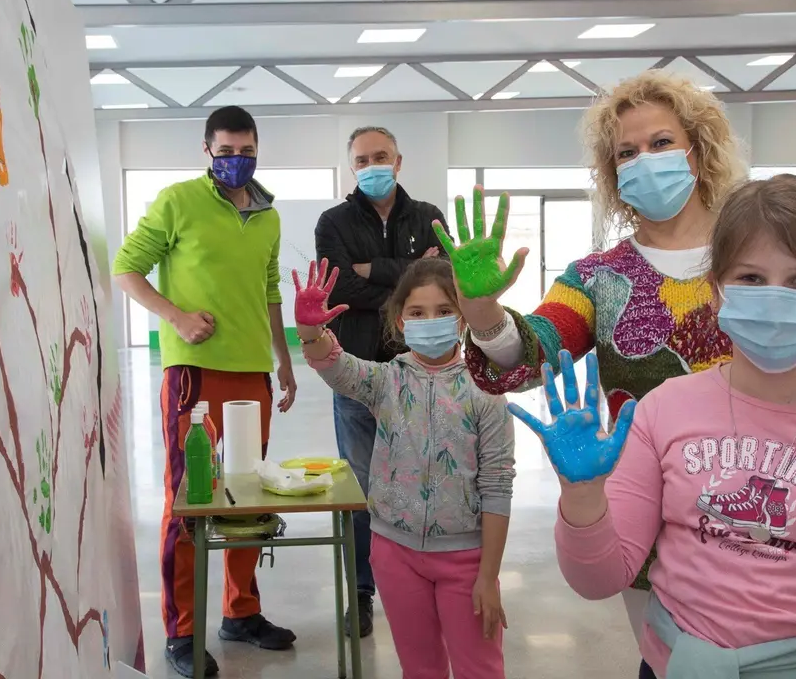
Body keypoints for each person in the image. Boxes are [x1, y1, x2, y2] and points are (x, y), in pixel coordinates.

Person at [511, 174, 796, 678]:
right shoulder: (664, 410)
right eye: (750, 278)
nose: (774, 298)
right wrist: (583, 496)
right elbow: (599, 579)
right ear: (716, 293)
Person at [433, 71, 745, 637]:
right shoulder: (598, 277)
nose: (644, 160)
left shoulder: (752, 259)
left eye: (661, 143)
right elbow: (533, 353)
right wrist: (481, 313)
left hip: (762, 503)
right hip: (649, 514)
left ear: (698, 153)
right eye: (627, 152)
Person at [112, 105, 297, 678]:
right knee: (190, 500)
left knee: (246, 495)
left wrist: (284, 360)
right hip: (193, 371)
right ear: (207, 151)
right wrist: (176, 316)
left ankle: (241, 612)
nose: (237, 161)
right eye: (226, 152)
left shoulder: (268, 216)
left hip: (252, 373)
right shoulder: (177, 202)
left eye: (246, 151)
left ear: (257, 149)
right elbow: (125, 267)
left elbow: (270, 289)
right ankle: (182, 630)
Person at [294, 257, 515, 679]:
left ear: (463, 318)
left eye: (443, 311)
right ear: (399, 321)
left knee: (480, 669)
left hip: (466, 560)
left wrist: (488, 577)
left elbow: (498, 486)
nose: (429, 320)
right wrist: (310, 331)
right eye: (417, 312)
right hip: (395, 555)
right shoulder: (386, 381)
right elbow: (336, 365)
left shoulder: (485, 392)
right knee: (420, 670)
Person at [314, 126, 449, 636]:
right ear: (352, 166)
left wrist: (379, 269)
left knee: (425, 479)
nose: (373, 165)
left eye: (382, 156)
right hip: (355, 374)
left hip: (421, 371)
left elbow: (442, 281)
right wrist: (408, 275)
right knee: (362, 492)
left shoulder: (428, 216)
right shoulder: (334, 221)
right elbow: (340, 290)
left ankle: (422, 583)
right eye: (362, 159)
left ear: (399, 159)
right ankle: (363, 594)